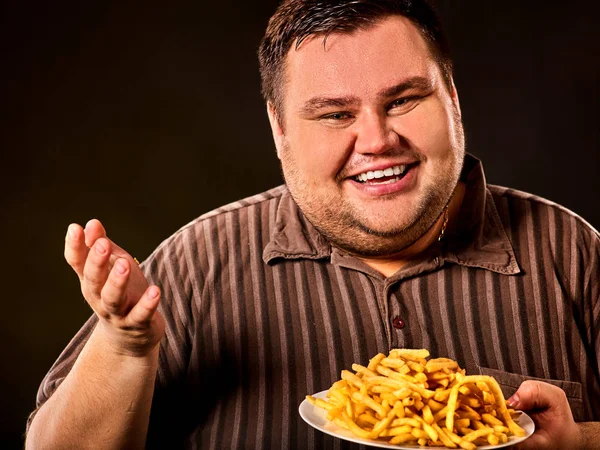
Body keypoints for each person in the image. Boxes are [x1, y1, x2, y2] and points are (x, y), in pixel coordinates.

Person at [25, 0, 599, 449]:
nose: (376, 141)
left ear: (452, 98)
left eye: (403, 100)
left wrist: (579, 442)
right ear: (279, 129)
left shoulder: (573, 252)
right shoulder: (195, 264)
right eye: (334, 114)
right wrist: (126, 349)